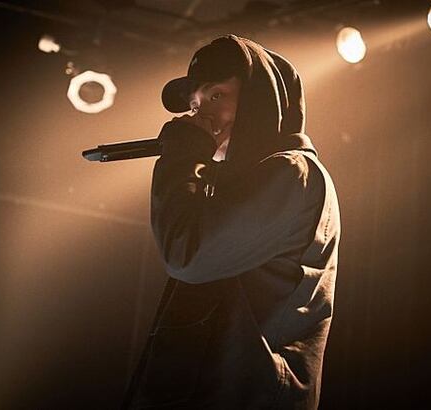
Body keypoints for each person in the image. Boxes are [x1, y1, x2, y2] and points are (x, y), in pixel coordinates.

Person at [122, 34, 341, 410]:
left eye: (216, 96)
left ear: (261, 101)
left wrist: (181, 158)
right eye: (195, 104)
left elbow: (187, 255)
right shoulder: (244, 181)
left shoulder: (292, 173)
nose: (200, 115)